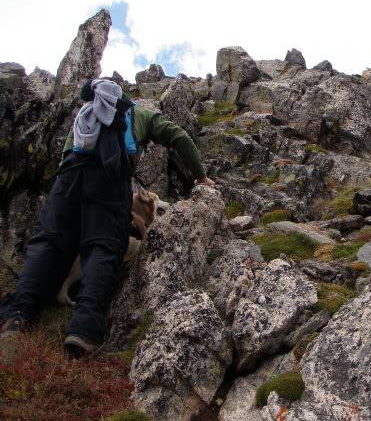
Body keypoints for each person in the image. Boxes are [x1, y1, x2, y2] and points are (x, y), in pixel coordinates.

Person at [0, 78, 214, 359]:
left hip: (69, 179)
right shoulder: (139, 113)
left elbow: (67, 154)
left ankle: (17, 316)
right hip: (110, 183)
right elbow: (179, 137)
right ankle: (83, 331)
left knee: (48, 244)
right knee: (103, 248)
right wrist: (201, 176)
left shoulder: (86, 111)